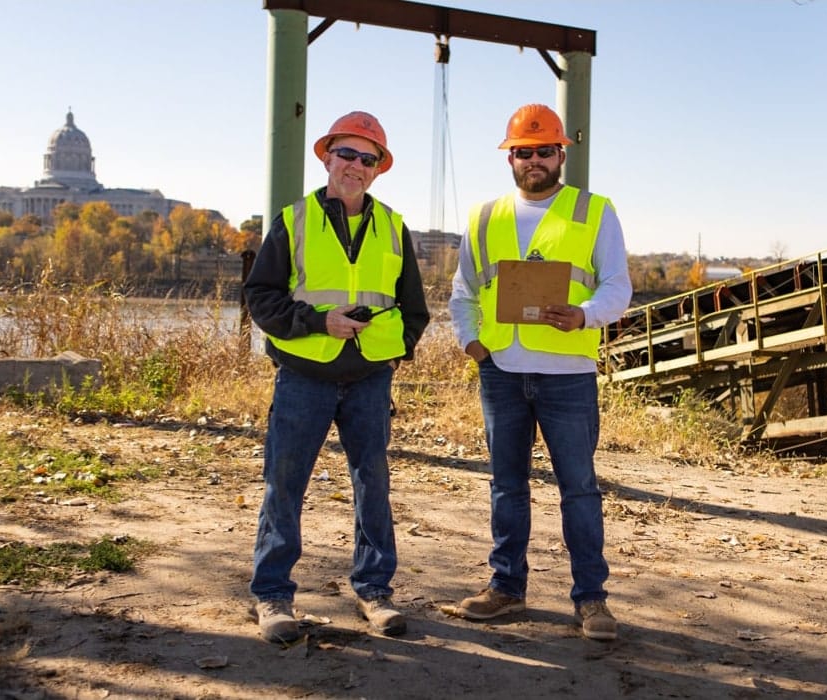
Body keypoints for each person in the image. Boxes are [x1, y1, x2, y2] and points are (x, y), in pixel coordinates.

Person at [447, 103, 633, 641]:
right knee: (508, 488)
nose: (534, 160)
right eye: (523, 152)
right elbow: (464, 292)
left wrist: (584, 315)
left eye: (544, 151)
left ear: (561, 155)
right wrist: (473, 344)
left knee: (579, 489)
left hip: (567, 374)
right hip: (501, 371)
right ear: (510, 157)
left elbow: (617, 285)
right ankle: (506, 588)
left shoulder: (594, 211)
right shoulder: (484, 217)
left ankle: (592, 601)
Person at [245, 111, 430, 641]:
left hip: (369, 380)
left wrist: (387, 355)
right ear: (327, 157)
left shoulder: (394, 227)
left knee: (373, 483)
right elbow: (262, 297)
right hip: (304, 375)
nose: (355, 165)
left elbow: (414, 311)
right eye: (346, 153)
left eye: (367, 158)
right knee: (285, 483)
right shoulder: (294, 220)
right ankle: (273, 597)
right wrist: (317, 322)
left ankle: (374, 592)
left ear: (377, 169)